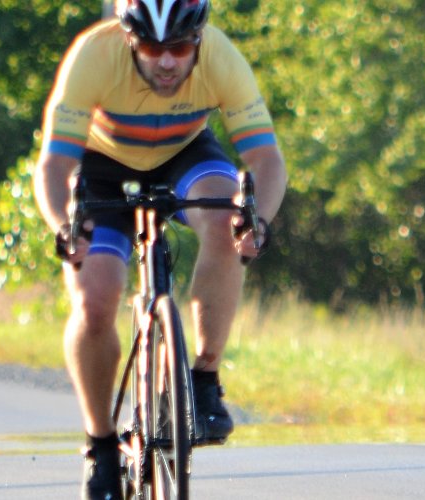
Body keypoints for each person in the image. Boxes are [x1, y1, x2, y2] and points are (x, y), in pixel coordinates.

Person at [32, 0, 287, 497]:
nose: (166, 61)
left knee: (225, 219)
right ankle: (100, 444)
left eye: (180, 47)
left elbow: (264, 157)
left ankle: (205, 379)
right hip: (102, 161)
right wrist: (64, 223)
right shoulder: (93, 55)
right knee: (95, 299)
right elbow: (54, 165)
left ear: (199, 40)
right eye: (151, 47)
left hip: (183, 153)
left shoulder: (221, 57)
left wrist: (256, 222)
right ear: (128, 39)